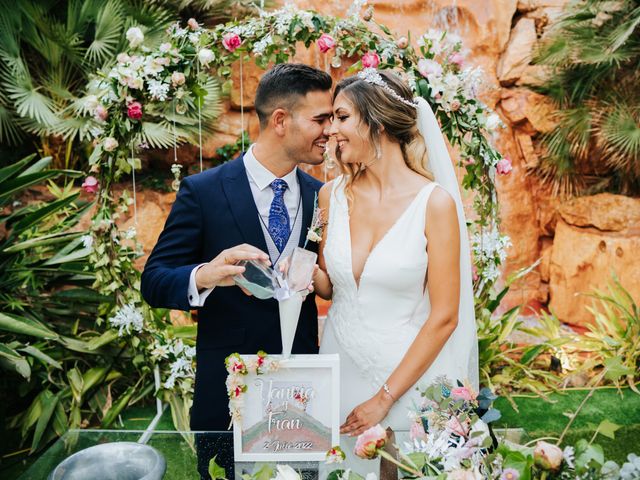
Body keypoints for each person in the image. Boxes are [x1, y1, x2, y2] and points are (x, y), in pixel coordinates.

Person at [141, 63, 333, 478]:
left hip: (305, 392)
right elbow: (154, 281)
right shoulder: (204, 190)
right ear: (280, 120)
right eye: (320, 118)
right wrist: (206, 274)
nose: (330, 130)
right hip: (228, 393)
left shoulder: (325, 198)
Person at [314, 69, 479, 438]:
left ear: (379, 123)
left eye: (342, 117)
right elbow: (329, 286)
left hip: (406, 380)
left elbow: (445, 317)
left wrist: (384, 397)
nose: (331, 130)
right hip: (338, 367)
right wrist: (291, 269)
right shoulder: (331, 197)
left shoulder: (433, 204)